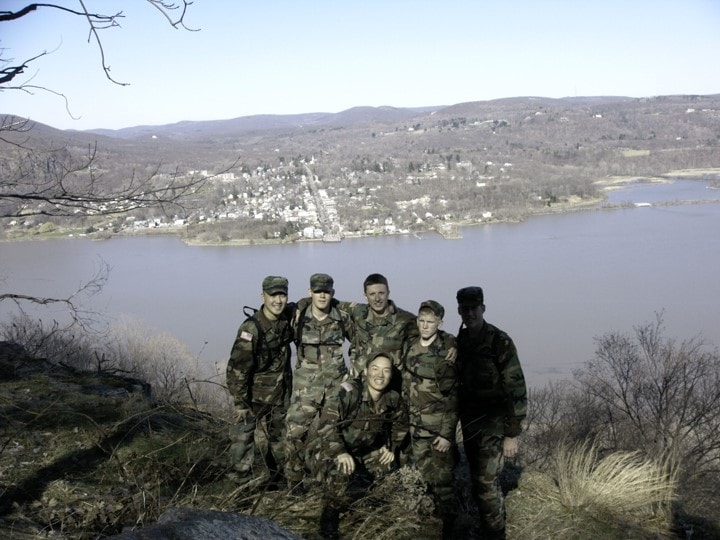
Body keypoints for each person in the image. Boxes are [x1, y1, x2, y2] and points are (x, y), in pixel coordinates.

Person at [306, 352, 408, 540]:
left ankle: (369, 504)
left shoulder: (392, 398)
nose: (380, 375)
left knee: (388, 466)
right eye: (375, 369)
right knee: (342, 470)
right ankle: (329, 517)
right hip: (328, 449)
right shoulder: (349, 392)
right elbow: (327, 424)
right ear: (366, 371)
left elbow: (401, 423)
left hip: (362, 452)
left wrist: (391, 446)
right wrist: (340, 452)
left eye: (386, 371)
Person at [455, 286, 527, 540]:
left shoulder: (499, 341)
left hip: (494, 426)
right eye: (465, 309)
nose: (470, 313)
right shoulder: (461, 341)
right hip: (470, 425)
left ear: (483, 308)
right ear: (459, 311)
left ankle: (496, 534)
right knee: (478, 481)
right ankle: (485, 528)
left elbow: (516, 387)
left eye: (474, 308)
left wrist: (512, 433)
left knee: (486, 484)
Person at [283, 273, 352, 491]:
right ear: (310, 292)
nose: (322, 296)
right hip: (305, 388)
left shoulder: (342, 317)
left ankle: (330, 485)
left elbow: (360, 343)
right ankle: (294, 486)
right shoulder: (297, 316)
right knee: (294, 434)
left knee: (333, 435)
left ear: (332, 293)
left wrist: (354, 375)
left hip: (335, 387)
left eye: (326, 292)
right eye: (318, 291)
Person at [226, 275, 295, 487]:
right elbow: (237, 368)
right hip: (253, 398)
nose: (278, 301)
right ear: (262, 296)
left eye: (282, 295)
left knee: (279, 441)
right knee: (243, 441)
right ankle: (240, 487)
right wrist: (240, 403)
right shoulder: (251, 329)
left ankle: (277, 481)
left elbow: (305, 304)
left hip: (279, 395)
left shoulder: (285, 320)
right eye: (273, 295)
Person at [401, 300, 458, 538]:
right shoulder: (411, 346)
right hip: (414, 427)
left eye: (430, 322)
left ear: (440, 324)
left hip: (436, 431)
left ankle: (451, 529)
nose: (425, 326)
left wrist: (446, 434)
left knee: (443, 483)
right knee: (421, 478)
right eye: (422, 320)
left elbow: (453, 397)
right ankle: (426, 526)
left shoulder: (445, 353)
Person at [336, 273, 419, 388]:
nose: (377, 299)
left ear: (388, 293)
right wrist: (307, 301)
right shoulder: (358, 312)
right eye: (372, 294)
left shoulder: (406, 319)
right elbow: (328, 302)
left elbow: (430, 333)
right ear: (365, 296)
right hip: (360, 385)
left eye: (381, 293)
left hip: (390, 387)